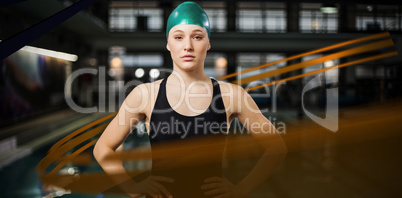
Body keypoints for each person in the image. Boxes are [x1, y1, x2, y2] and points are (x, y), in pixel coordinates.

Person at [93, 2, 287, 198]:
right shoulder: (145, 95)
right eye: (178, 37)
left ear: (208, 43)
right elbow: (102, 148)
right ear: (168, 43)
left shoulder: (232, 95)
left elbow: (276, 147)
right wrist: (131, 187)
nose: (188, 46)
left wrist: (241, 189)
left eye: (197, 37)